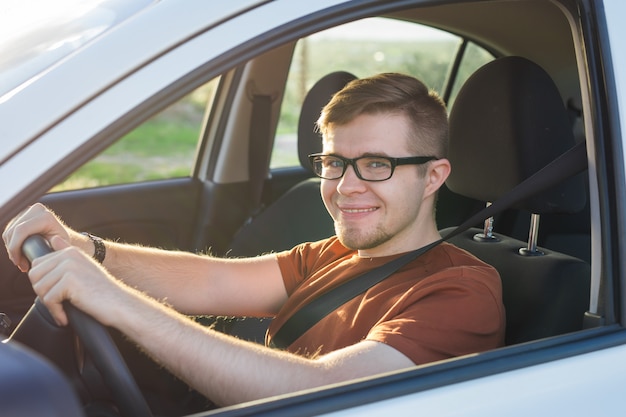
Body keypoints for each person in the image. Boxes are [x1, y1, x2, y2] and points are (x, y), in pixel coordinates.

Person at [3, 73, 505, 407]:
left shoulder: (461, 293)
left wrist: (114, 300)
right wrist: (85, 248)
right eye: (334, 164)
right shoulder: (337, 253)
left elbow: (318, 393)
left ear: (434, 176)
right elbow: (212, 281)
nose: (347, 186)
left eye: (378, 164)